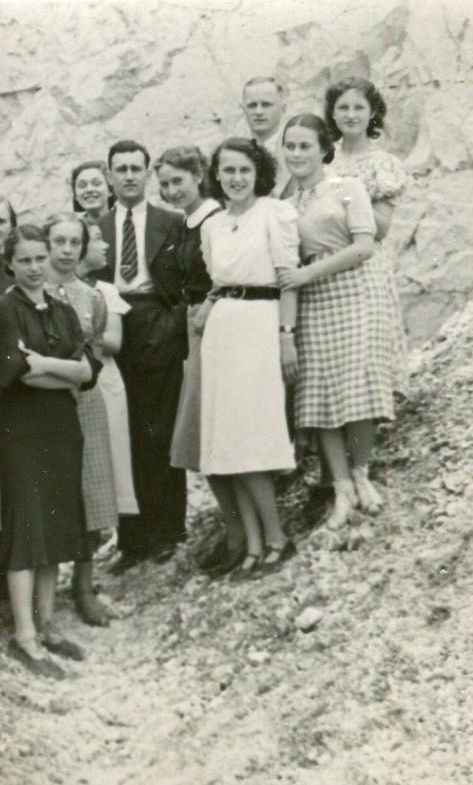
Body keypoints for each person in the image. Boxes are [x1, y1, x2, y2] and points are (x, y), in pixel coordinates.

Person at [0, 225, 99, 679]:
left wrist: (49, 364)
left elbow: (87, 372)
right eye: (26, 260)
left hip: (60, 426)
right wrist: (63, 371)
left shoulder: (63, 309)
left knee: (55, 525)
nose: (35, 267)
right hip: (20, 427)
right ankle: (24, 635)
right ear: (10, 263)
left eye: (40, 258)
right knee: (25, 526)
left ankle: (47, 624)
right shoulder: (3, 307)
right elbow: (15, 373)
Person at [193, 137, 298, 577]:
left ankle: (277, 537)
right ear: (216, 175)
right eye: (228, 170)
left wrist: (286, 336)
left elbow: (288, 280)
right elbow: (218, 281)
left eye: (244, 171)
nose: (236, 179)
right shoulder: (212, 225)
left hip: (260, 325)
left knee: (252, 437)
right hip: (222, 330)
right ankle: (252, 545)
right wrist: (207, 307)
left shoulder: (275, 213)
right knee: (227, 439)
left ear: (258, 175)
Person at [279, 113, 382, 527]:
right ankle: (340, 489)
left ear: (325, 149)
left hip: (351, 292)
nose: (297, 154)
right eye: (290, 146)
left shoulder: (347, 188)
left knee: (355, 385)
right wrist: (286, 330)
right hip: (311, 303)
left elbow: (364, 247)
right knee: (319, 394)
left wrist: (308, 273)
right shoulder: (284, 207)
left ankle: (362, 475)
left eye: (305, 145)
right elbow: (287, 270)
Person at [321, 77, 412, 513]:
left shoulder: (382, 164)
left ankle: (361, 470)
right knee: (330, 371)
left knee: (362, 366)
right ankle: (334, 480)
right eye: (343, 108)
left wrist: (333, 218)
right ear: (332, 115)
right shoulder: (324, 162)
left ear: (372, 113)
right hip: (325, 275)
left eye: (359, 107)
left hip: (365, 271)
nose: (351, 115)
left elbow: (380, 228)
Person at [97, 139, 188, 572]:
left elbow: (190, 278)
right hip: (112, 325)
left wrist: (172, 326)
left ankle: (168, 532)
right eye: (121, 169)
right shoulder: (95, 226)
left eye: (137, 168)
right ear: (109, 174)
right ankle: (131, 540)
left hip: (157, 321)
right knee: (120, 431)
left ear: (148, 173)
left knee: (159, 429)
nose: (129, 176)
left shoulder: (172, 221)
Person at [154, 145, 244, 572]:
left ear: (199, 176)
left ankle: (243, 535)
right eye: (166, 184)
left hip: (216, 326)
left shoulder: (215, 218)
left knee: (217, 434)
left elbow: (227, 276)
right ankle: (236, 533)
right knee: (201, 439)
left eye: (179, 181)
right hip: (192, 329)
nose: (172, 191)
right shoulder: (186, 222)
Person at [43, 213, 118, 627]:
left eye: (76, 242)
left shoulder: (92, 296)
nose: (68, 250)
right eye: (60, 241)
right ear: (47, 243)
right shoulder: (32, 290)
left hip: (86, 401)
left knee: (92, 491)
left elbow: (95, 347)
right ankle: (40, 589)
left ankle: (84, 587)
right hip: (43, 403)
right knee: (48, 494)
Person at [76, 221, 138, 524]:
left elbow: (113, 341)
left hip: (103, 378)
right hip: (70, 379)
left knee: (104, 466)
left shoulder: (104, 290)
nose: (105, 246)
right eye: (97, 239)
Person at [241, 76, 292, 198]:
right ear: (243, 110)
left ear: (283, 109)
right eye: (252, 105)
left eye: (266, 104)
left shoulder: (293, 150)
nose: (258, 112)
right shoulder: (238, 152)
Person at [71, 161, 115, 225]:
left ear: (110, 190)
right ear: (75, 196)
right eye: (82, 185)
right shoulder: (72, 230)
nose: (89, 189)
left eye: (96, 183)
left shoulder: (124, 225)